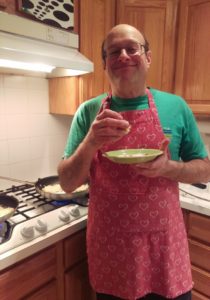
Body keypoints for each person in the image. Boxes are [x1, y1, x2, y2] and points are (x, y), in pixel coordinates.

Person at [58, 24, 210, 300]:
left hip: (164, 248)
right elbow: (67, 183)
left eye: (132, 48)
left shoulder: (176, 107)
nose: (124, 55)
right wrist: (91, 141)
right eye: (114, 51)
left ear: (148, 57)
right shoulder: (89, 112)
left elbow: (205, 168)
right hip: (112, 249)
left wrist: (169, 168)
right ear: (105, 63)